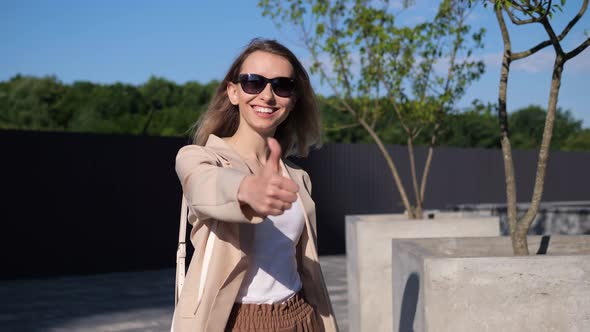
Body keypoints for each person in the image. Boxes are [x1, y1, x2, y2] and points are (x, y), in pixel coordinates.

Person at [171, 38, 339, 332]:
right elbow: (205, 187)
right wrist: (247, 190)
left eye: (281, 85)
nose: (267, 95)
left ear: (293, 99)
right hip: (236, 321)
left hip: (301, 314)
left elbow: (305, 264)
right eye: (253, 83)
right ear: (233, 92)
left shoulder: (297, 177)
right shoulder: (199, 159)